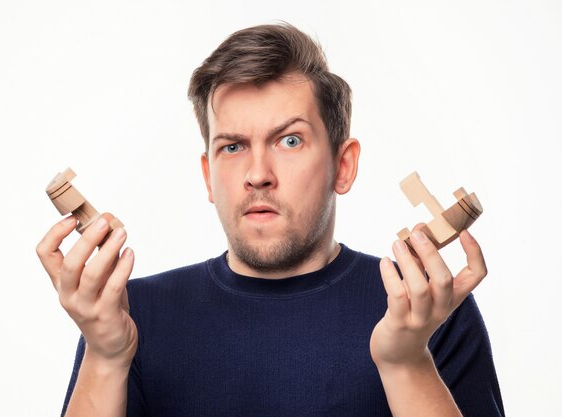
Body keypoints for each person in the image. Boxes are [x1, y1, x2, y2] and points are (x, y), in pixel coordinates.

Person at [36, 23, 504, 417]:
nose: (257, 175)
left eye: (290, 141)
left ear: (344, 165)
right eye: (233, 147)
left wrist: (407, 363)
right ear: (208, 175)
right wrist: (105, 357)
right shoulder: (126, 319)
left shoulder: (425, 308)